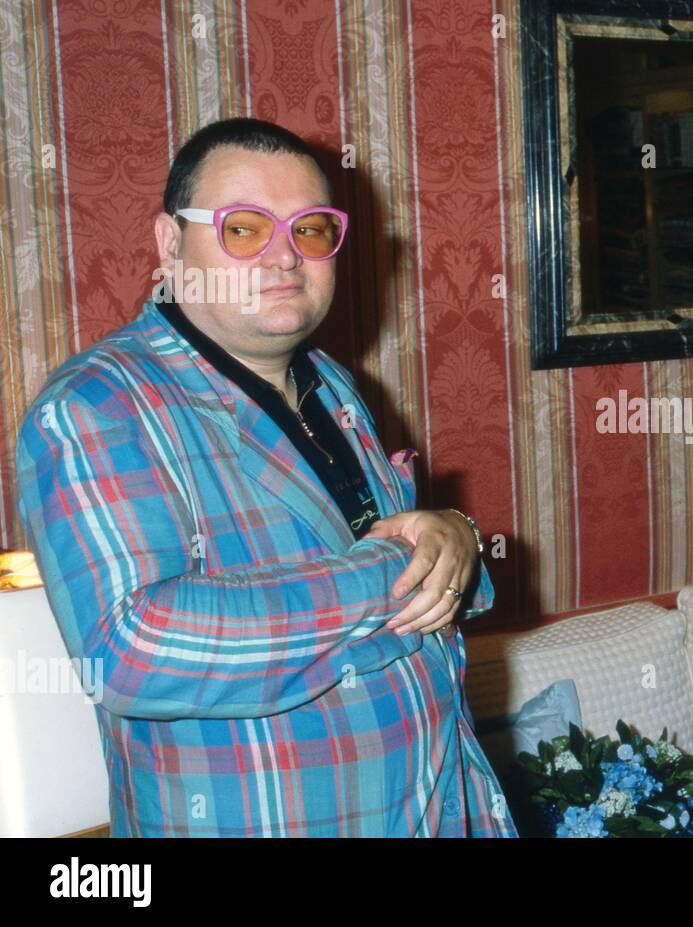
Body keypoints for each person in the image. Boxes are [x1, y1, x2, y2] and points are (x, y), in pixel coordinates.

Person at [16, 117, 515, 837]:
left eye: (311, 229)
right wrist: (392, 572)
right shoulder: (94, 407)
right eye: (244, 228)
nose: (285, 256)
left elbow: (418, 573)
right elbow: (129, 651)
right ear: (169, 244)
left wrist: (458, 541)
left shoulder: (334, 384)